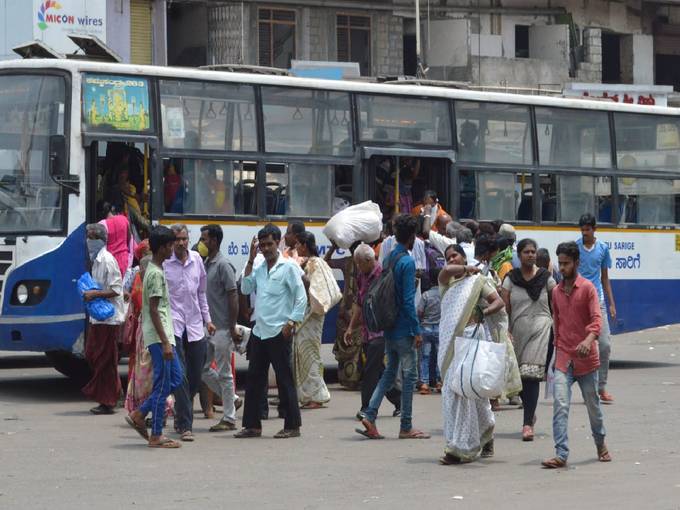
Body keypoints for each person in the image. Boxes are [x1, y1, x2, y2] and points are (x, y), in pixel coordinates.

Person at [437, 244, 521, 464]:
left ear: (463, 256)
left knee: (469, 391)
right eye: (447, 257)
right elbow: (446, 272)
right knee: (453, 392)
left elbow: (499, 301)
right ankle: (476, 436)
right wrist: (466, 268)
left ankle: (459, 447)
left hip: (472, 339)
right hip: (449, 346)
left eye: (454, 255)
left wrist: (482, 312)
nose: (450, 259)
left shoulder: (478, 282)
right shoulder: (445, 283)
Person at [356, 214, 431, 440]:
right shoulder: (407, 262)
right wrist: (416, 331)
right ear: (414, 238)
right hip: (403, 329)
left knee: (389, 374)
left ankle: (370, 415)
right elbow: (408, 301)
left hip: (387, 326)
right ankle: (406, 426)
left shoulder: (388, 257)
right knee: (408, 377)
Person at [541, 241, 611, 468]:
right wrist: (555, 357)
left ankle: (600, 443)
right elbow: (557, 325)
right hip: (563, 357)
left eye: (566, 263)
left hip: (587, 359)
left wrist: (588, 339)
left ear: (577, 263)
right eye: (560, 263)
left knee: (593, 405)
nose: (562, 267)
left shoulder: (589, 289)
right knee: (561, 404)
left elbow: (597, 321)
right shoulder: (557, 293)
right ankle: (561, 453)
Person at [236, 224, 307, 439]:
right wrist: (249, 259)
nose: (266, 249)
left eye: (270, 244)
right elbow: (246, 289)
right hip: (259, 331)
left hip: (279, 332)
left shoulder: (289, 267)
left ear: (278, 243)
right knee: (254, 380)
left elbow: (301, 297)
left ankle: (292, 426)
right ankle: (253, 426)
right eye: (263, 245)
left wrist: (291, 323)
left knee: (285, 381)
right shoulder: (258, 267)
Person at [125, 226, 183, 448]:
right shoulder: (156, 273)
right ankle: (156, 433)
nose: (172, 249)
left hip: (162, 335)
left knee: (175, 379)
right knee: (162, 384)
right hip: (160, 338)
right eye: (170, 246)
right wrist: (166, 342)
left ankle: (140, 413)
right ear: (161, 248)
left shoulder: (152, 268)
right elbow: (153, 310)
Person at [164, 223, 216, 442]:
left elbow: (202, 293)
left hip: (195, 327)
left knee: (195, 374)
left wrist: (208, 320)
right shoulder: (165, 263)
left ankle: (179, 409)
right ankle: (186, 425)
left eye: (184, 238)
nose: (181, 243)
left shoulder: (196, 260)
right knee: (181, 375)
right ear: (171, 242)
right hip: (174, 326)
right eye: (177, 239)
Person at [500, 239, 556, 441]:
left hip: (541, 328)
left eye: (533, 252)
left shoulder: (545, 278)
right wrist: (505, 330)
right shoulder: (510, 279)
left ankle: (526, 424)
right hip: (517, 332)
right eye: (526, 252)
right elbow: (504, 308)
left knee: (530, 374)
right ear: (519, 255)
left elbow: (556, 303)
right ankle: (530, 412)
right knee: (519, 378)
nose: (530, 255)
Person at [344, 244, 401, 420]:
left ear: (368, 260)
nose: (358, 268)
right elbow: (360, 303)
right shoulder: (362, 274)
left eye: (360, 264)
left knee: (370, 369)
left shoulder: (383, 275)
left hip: (380, 331)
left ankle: (366, 407)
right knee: (379, 372)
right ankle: (400, 401)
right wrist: (351, 327)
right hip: (367, 330)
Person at [199, 224, 243, 432]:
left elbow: (233, 296)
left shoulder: (223, 264)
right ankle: (232, 399)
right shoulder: (207, 263)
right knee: (202, 368)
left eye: (204, 240)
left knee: (225, 373)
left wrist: (232, 325)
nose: (201, 243)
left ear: (214, 241)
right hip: (209, 328)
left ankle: (229, 418)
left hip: (223, 328)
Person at [82, 223, 125, 415]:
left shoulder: (108, 260)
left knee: (105, 360)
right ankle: (114, 391)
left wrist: (95, 294)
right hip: (98, 318)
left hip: (110, 320)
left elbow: (116, 290)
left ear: (99, 240)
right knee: (92, 354)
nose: (88, 242)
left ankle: (108, 401)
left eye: (91, 238)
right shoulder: (95, 260)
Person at [576, 213, 616, 404]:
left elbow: (605, 278)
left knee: (605, 346)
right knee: (583, 348)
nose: (585, 233)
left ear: (595, 229)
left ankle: (601, 388)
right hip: (579, 303)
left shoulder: (603, 249)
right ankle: (589, 389)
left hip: (598, 303)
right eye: (582, 230)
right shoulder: (575, 248)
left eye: (588, 229)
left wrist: (612, 303)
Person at [293, 232, 332, 409]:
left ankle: (316, 395)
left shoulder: (312, 264)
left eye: (298, 245)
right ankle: (311, 395)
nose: (296, 248)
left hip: (310, 317)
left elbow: (311, 289)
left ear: (304, 246)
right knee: (308, 353)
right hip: (313, 317)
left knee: (309, 354)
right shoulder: (318, 262)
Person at [327, 240, 365, 391]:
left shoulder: (345, 262)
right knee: (357, 344)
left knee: (346, 341)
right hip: (360, 307)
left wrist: (333, 248)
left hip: (346, 308)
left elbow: (325, 263)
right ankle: (356, 378)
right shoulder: (367, 262)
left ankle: (347, 379)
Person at [417, 267, 443, 395]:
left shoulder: (425, 295)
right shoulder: (445, 294)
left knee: (425, 357)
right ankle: (440, 382)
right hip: (440, 329)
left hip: (426, 329)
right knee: (440, 357)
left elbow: (419, 313)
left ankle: (425, 384)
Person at [97, 200, 131, 279]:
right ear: (111, 210)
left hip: (109, 261)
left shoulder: (101, 224)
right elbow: (129, 237)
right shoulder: (124, 219)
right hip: (124, 259)